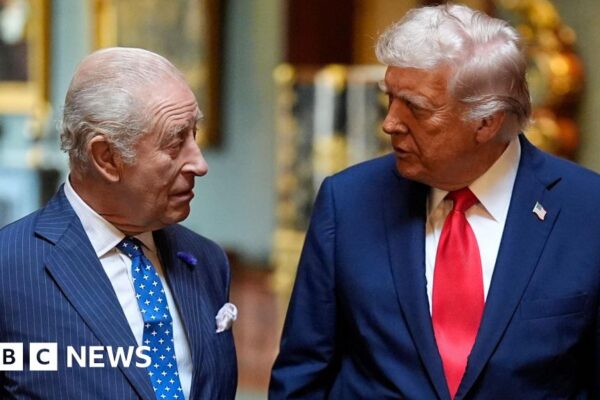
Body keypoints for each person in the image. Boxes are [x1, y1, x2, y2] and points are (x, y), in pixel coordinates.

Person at [270, 4, 600, 399]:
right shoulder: (348, 201)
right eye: (390, 98)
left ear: (486, 121)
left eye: (415, 107)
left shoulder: (588, 211)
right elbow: (302, 374)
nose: (390, 123)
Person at [0, 47, 237, 399]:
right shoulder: (10, 269)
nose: (199, 164)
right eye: (175, 143)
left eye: (194, 134)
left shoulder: (206, 261)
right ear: (106, 158)